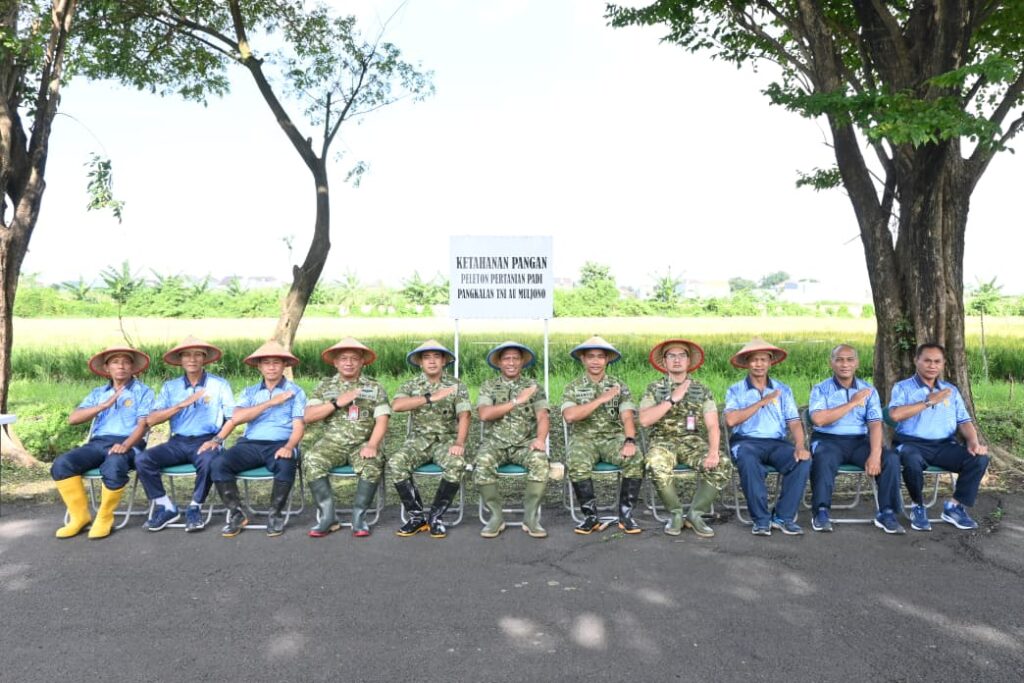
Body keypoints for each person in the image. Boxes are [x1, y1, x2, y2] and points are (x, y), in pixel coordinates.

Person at [203, 341, 306, 538]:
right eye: (266, 363)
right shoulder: (249, 392)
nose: (271, 367)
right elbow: (237, 418)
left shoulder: (295, 392)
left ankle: (275, 514)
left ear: (284, 365)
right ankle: (236, 513)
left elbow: (299, 425)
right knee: (218, 463)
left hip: (280, 444)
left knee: (286, 462)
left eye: (276, 362)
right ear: (259, 366)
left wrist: (289, 446)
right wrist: (217, 440)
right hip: (250, 443)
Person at [50, 346, 154, 539]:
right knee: (62, 464)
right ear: (107, 368)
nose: (121, 366)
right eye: (115, 362)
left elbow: (143, 425)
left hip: (130, 443)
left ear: (132, 367)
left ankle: (105, 517)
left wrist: (125, 445)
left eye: (126, 362)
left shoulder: (144, 392)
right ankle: (80, 517)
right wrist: (103, 405)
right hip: (98, 443)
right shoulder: (98, 393)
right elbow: (73, 419)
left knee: (114, 464)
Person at [137, 336, 235, 532]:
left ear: (204, 359)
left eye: (198, 355)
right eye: (187, 355)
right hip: (177, 442)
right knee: (143, 460)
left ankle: (195, 507)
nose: (192, 359)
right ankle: (166, 507)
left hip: (207, 440)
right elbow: (151, 419)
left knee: (210, 461)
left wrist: (217, 440)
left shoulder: (219, 385)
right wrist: (181, 405)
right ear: (180, 360)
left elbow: (233, 417)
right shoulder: (170, 387)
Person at [888, 343, 989, 531]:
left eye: (937, 361)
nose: (932, 365)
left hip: (944, 446)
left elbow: (964, 421)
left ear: (943, 364)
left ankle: (954, 507)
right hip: (911, 444)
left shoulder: (950, 390)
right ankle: (918, 506)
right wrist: (928, 401)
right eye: (927, 361)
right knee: (911, 458)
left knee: (979, 459)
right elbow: (895, 415)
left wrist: (973, 442)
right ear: (916, 361)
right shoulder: (903, 387)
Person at [807, 344, 904, 534]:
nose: (845, 364)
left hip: (859, 441)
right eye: (839, 360)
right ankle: (821, 511)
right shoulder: (821, 389)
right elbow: (819, 419)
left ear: (857, 363)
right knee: (823, 458)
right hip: (828, 440)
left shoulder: (868, 390)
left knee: (890, 459)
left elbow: (875, 424)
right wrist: (852, 403)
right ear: (831, 363)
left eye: (850, 360)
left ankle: (887, 512)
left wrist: (875, 454)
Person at [639, 338, 731, 537]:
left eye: (682, 356)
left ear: (689, 361)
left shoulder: (702, 390)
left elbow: (713, 425)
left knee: (722, 463)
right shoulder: (653, 388)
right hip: (663, 441)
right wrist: (672, 399)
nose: (677, 360)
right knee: (655, 463)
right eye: (671, 356)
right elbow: (645, 420)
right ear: (664, 361)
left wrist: (713, 452)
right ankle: (676, 513)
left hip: (692, 442)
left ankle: (695, 514)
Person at [303, 337, 391, 538]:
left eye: (354, 358)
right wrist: (336, 403)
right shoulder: (324, 386)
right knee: (312, 459)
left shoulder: (374, 387)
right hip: (332, 443)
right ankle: (328, 517)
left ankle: (359, 517)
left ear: (362, 362)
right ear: (335, 362)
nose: (349, 363)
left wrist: (372, 445)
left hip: (362, 443)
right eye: (343, 358)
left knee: (372, 463)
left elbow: (382, 419)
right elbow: (308, 416)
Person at [724, 338, 810, 536]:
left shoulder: (783, 389)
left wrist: (800, 445)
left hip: (776, 443)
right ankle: (761, 520)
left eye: (763, 360)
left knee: (802, 460)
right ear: (747, 363)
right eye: (754, 360)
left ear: (770, 362)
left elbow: (794, 421)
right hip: (746, 442)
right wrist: (761, 402)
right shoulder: (735, 389)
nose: (759, 364)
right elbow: (731, 420)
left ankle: (783, 517)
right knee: (748, 461)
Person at [388, 340, 471, 538]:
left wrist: (459, 442)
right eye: (426, 357)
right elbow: (397, 406)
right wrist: (429, 398)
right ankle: (417, 517)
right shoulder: (411, 385)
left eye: (436, 357)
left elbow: (465, 415)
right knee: (396, 462)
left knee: (457, 463)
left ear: (444, 361)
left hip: (446, 441)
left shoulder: (456, 385)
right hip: (418, 441)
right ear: (420, 362)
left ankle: (435, 517)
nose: (432, 361)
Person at [562, 336, 643, 534]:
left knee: (636, 458)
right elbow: (570, 416)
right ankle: (591, 517)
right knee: (576, 461)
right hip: (583, 438)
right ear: (583, 359)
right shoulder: (573, 387)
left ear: (607, 359)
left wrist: (629, 440)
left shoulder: (619, 386)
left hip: (612, 438)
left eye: (600, 356)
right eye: (591, 356)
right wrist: (601, 399)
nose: (595, 361)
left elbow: (627, 417)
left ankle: (626, 516)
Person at [474, 341, 550, 539]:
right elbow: (484, 414)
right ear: (499, 362)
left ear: (522, 362)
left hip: (524, 444)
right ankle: (496, 516)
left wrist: (540, 439)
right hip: (495, 444)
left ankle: (530, 518)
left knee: (540, 460)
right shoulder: (489, 386)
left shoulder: (533, 387)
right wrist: (517, 401)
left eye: (516, 358)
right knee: (482, 461)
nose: (511, 362)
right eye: (506, 358)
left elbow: (543, 416)